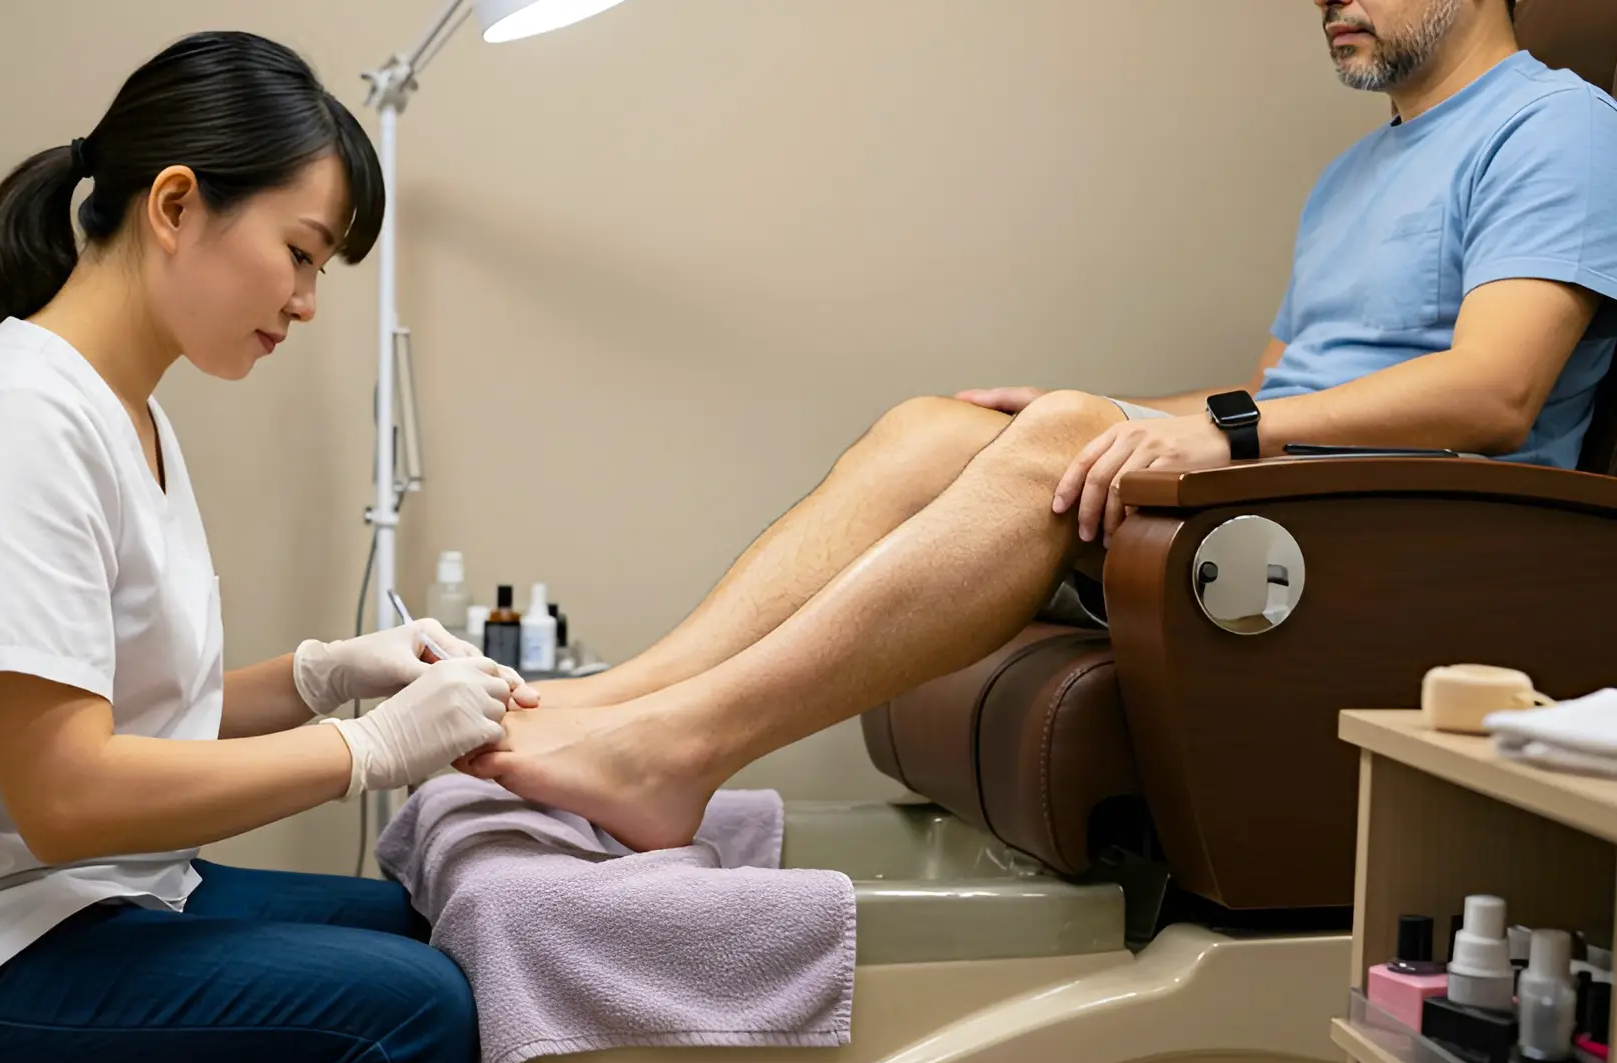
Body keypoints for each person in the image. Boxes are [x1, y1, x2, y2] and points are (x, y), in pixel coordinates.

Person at [465, 0, 1617, 853]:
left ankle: (681, 751)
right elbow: (1278, 398)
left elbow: (1494, 393)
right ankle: (627, 699)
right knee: (933, 427)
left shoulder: (1558, 128)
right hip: (1300, 502)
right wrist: (1072, 418)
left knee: (1062, 428)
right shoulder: (1352, 176)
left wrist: (1191, 428)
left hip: (1421, 550)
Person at [0, 31, 533, 1063]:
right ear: (175, 206)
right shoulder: (12, 421)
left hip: (62, 898)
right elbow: (70, 791)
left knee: (425, 926)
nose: (307, 300)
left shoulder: (126, 415)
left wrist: (330, 674)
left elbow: (124, 714)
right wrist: (369, 750)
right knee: (412, 1009)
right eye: (301, 253)